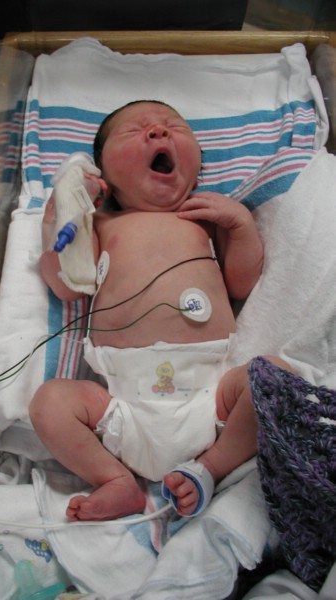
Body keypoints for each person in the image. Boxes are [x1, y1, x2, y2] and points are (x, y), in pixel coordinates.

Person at [30, 100, 290, 522]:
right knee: (49, 403)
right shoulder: (102, 226)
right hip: (121, 406)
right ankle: (115, 479)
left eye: (173, 127)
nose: (157, 131)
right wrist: (63, 216)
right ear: (104, 177)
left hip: (211, 398)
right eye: (135, 130)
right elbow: (66, 283)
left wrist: (241, 225)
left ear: (197, 168)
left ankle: (210, 468)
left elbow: (243, 284)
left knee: (276, 376)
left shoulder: (205, 218)